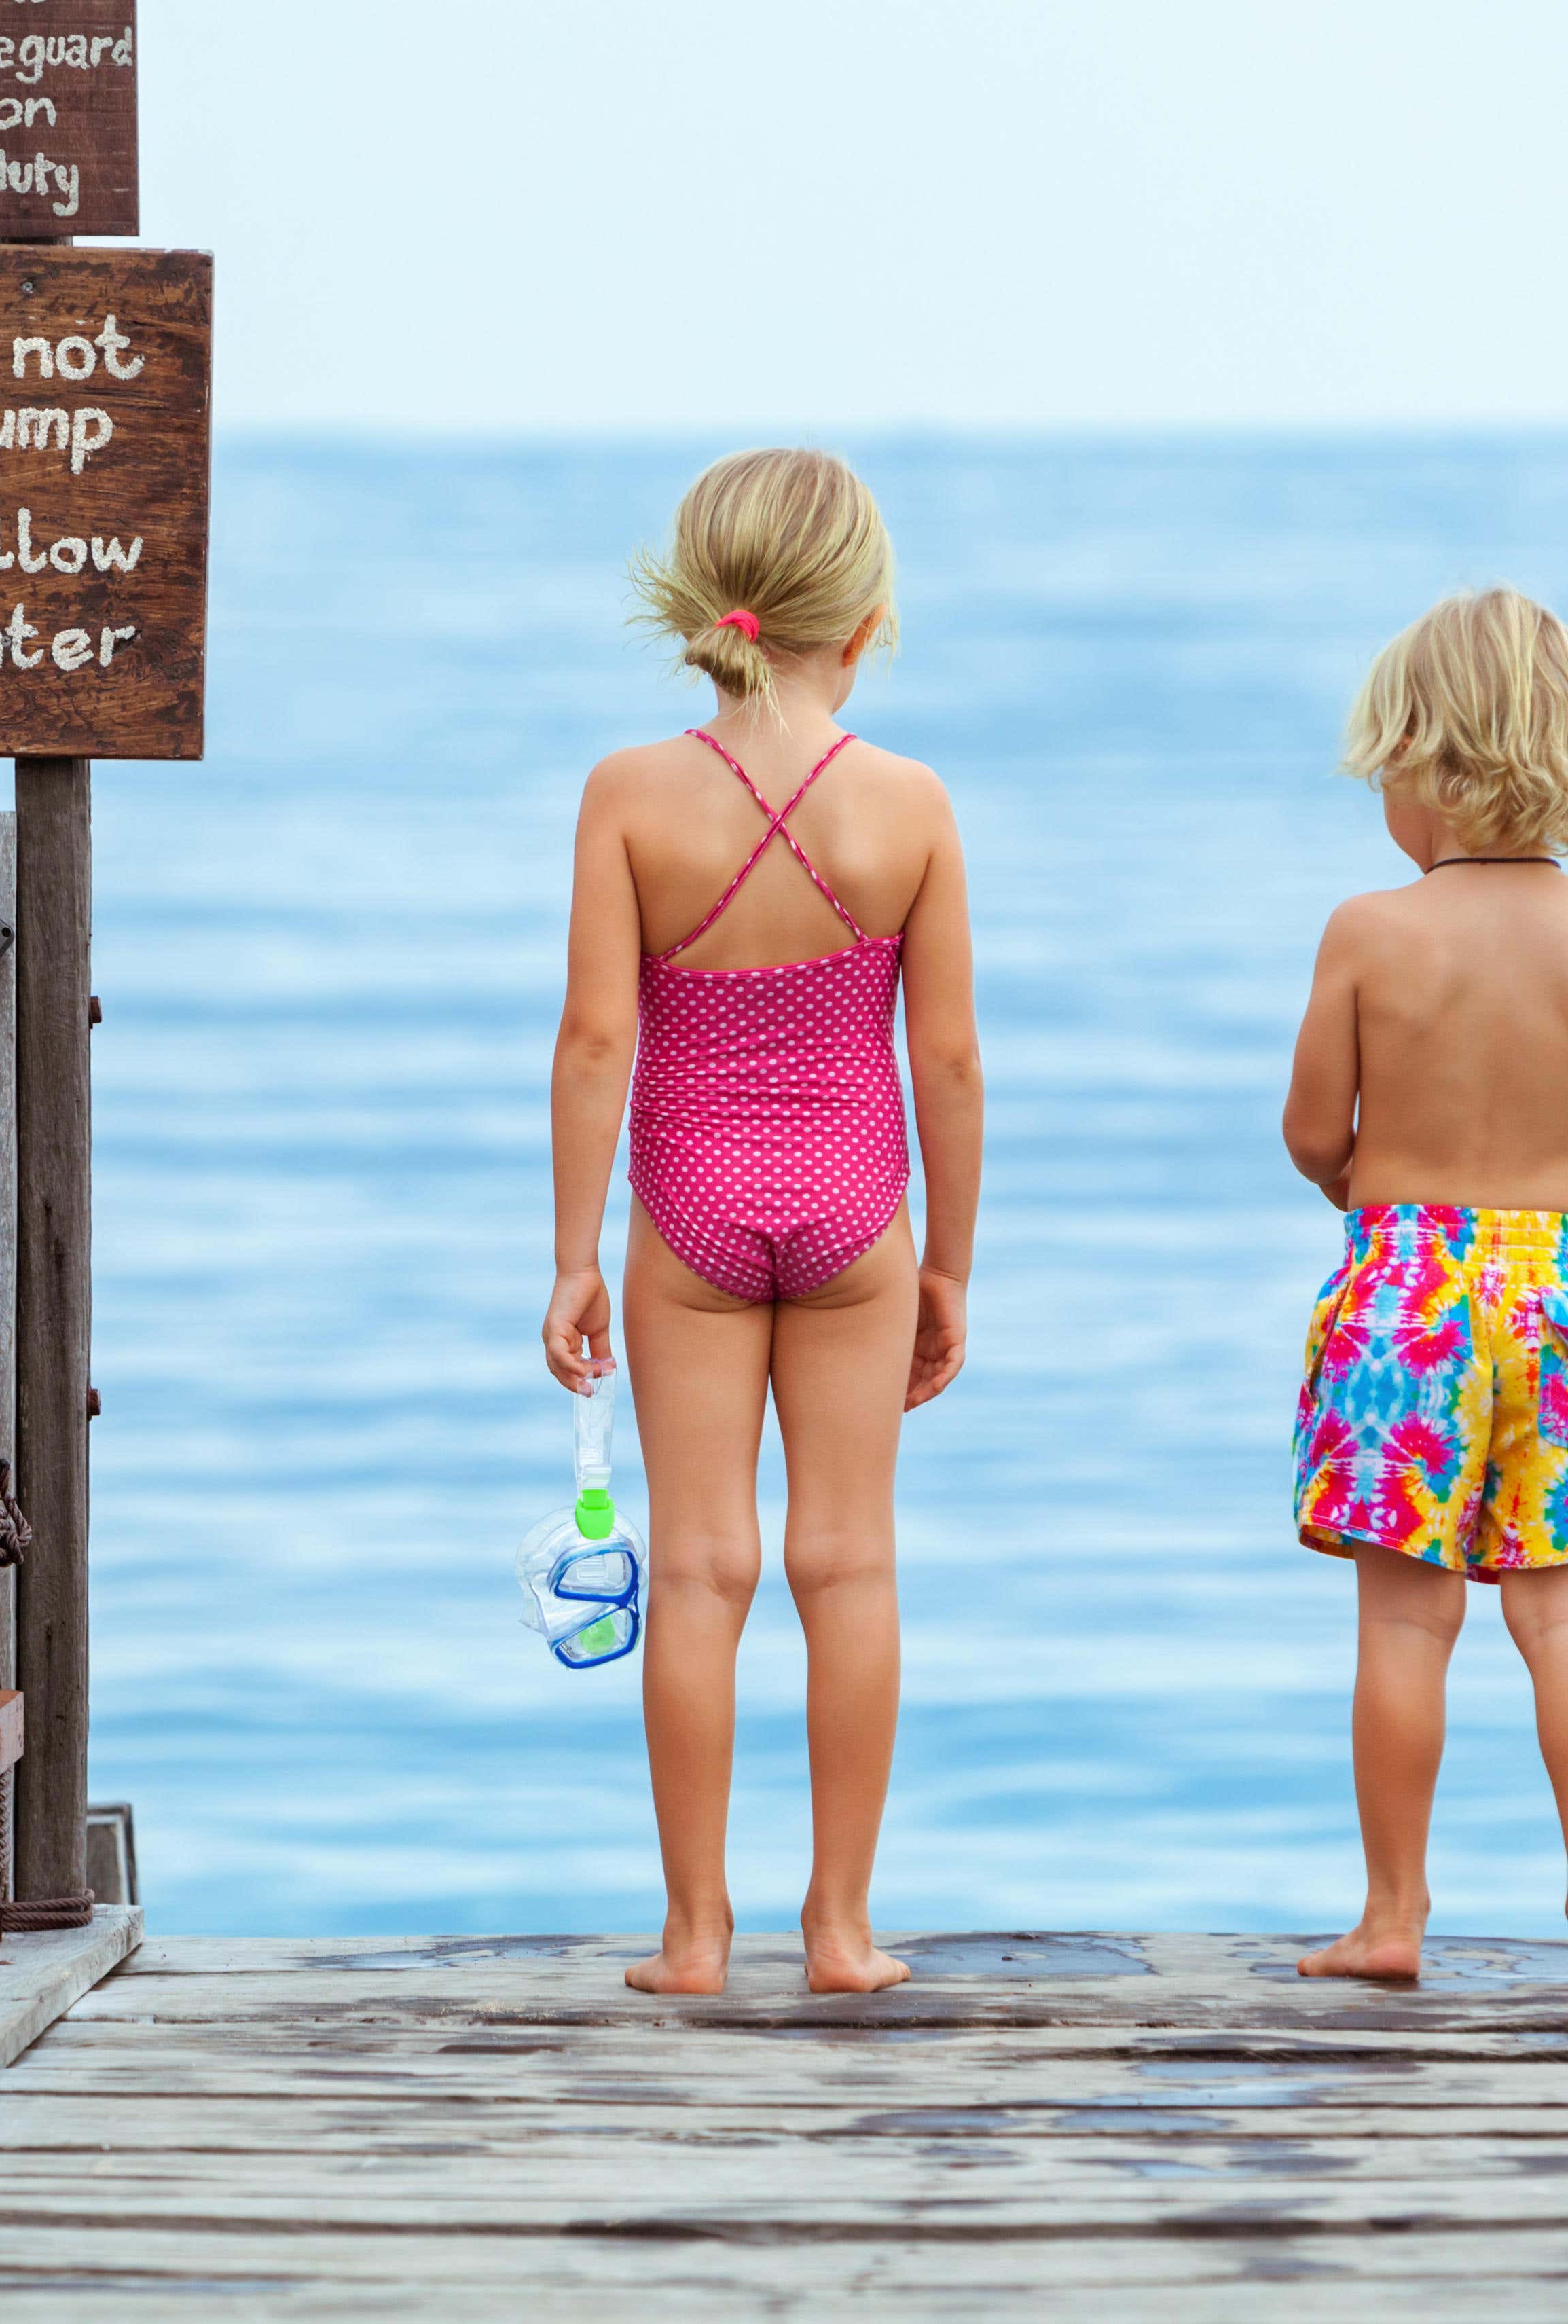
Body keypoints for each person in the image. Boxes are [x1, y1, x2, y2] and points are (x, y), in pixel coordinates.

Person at [541, 447, 982, 1997]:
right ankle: (841, 1931)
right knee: (847, 1565)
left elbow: (596, 1040)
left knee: (700, 1571)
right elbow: (946, 1060)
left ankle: (691, 1936)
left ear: (702, 610)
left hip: (689, 1215)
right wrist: (947, 1263)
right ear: (862, 623)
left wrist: (572, 1254)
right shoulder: (908, 804)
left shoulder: (627, 795)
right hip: (859, 1214)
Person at [1277, 586, 1568, 1989]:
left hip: (1403, 1288)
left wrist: (1372, 1185)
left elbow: (1309, 1129)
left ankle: (1390, 1918)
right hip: (1552, 1289)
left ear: (1419, 759)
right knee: (1566, 1611)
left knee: (1406, 1617)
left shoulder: (1367, 930)